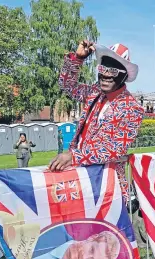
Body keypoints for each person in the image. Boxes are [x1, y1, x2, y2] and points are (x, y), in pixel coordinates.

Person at [49, 40, 144, 205]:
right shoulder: (94, 92)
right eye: (102, 69)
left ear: (124, 76)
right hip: (80, 179)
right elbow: (66, 85)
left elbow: (113, 149)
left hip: (107, 184)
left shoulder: (131, 108)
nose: (106, 75)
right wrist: (78, 59)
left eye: (113, 71)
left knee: (105, 231)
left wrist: (73, 156)